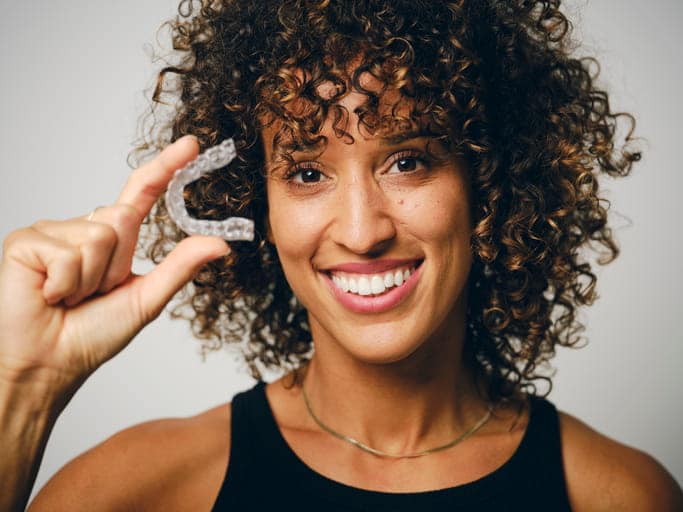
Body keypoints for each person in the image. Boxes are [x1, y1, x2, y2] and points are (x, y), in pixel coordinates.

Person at [1, 0, 682, 510]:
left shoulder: (618, 495)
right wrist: (21, 389)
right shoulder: (138, 489)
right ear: (255, 203)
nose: (361, 232)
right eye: (305, 172)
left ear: (492, 184)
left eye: (408, 161)